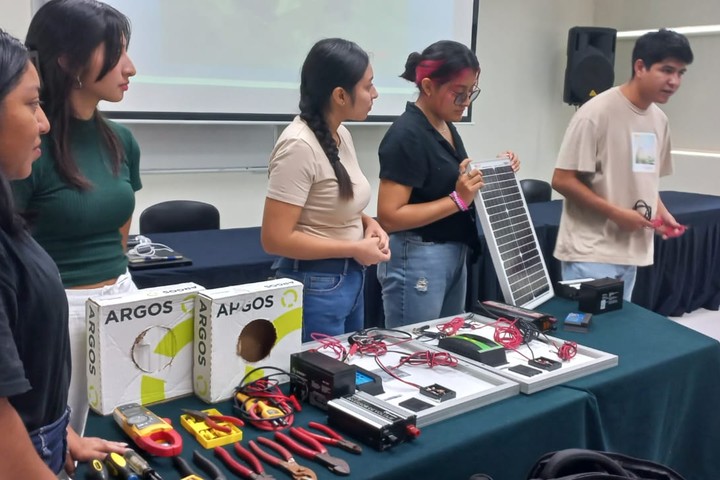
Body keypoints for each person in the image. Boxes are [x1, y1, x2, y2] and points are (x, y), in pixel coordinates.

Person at [11, 0, 141, 439]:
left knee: (132, 433)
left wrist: (117, 284)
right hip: (59, 314)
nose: (131, 67)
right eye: (117, 52)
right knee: (61, 440)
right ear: (69, 61)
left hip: (124, 299)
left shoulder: (121, 140)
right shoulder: (26, 149)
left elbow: (120, 229)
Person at [376, 40, 520, 328]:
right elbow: (389, 217)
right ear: (428, 87)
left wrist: (496, 170)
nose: (466, 102)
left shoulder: (444, 125)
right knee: (416, 353)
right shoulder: (407, 134)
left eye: (471, 92)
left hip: (451, 252)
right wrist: (457, 199)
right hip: (418, 257)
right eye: (458, 93)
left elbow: (451, 185)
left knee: (445, 350)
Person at [261, 38, 390, 342]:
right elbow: (274, 238)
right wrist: (354, 248)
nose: (375, 94)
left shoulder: (341, 133)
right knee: (323, 380)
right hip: (317, 283)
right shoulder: (298, 145)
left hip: (349, 279)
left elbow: (337, 207)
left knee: (347, 374)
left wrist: (369, 224)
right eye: (368, 86)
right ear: (340, 95)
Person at [552, 29, 693, 301]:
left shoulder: (658, 120)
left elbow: (645, 178)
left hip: (630, 253)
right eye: (666, 70)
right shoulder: (595, 113)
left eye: (680, 73)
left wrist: (660, 214)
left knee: (615, 341)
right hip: (590, 252)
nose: (674, 81)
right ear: (640, 66)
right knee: (588, 339)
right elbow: (562, 180)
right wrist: (616, 213)